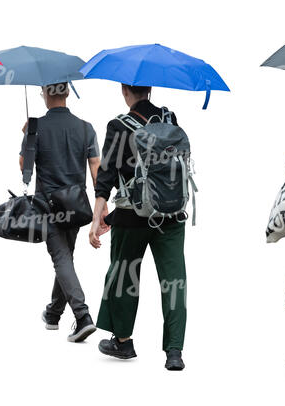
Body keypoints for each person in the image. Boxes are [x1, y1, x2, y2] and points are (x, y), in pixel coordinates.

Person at [89, 84, 188, 371]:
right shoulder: (170, 119)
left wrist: (98, 217)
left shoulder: (119, 126)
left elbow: (106, 174)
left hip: (132, 216)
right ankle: (174, 351)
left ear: (124, 91)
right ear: (151, 89)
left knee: (123, 274)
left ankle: (123, 341)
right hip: (172, 214)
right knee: (174, 282)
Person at [20, 82, 100, 343]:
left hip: (48, 206)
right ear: (66, 93)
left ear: (45, 93)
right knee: (66, 256)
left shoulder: (36, 127)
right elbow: (96, 167)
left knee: (62, 259)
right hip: (76, 205)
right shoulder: (86, 128)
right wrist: (102, 205)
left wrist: (28, 136)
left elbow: (24, 166)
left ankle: (83, 316)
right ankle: (54, 313)